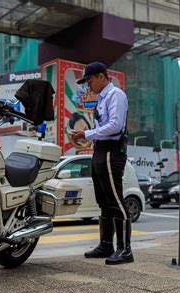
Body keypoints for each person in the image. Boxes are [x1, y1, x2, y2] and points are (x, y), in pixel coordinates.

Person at [71, 62, 133, 265]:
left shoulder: (115, 95)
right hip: (100, 150)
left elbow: (115, 126)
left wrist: (86, 133)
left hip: (111, 151)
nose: (88, 86)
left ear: (101, 77)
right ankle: (106, 244)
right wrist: (85, 136)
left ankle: (125, 249)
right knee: (103, 200)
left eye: (89, 81)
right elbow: (103, 127)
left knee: (115, 200)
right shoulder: (102, 98)